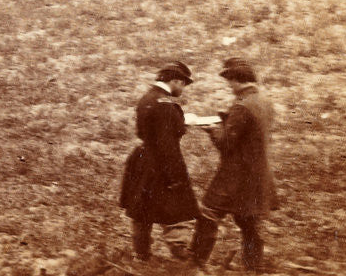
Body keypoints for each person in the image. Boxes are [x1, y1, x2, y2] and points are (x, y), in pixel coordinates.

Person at [191, 57, 280, 272]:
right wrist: (226, 119)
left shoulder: (242, 107)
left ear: (239, 80)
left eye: (230, 81)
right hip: (257, 174)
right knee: (248, 221)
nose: (229, 86)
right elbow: (251, 132)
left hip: (234, 176)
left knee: (209, 213)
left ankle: (195, 262)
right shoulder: (264, 101)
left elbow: (226, 144)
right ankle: (252, 267)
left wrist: (212, 129)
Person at [119, 61, 199, 262]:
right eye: (183, 84)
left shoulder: (147, 98)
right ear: (174, 81)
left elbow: (142, 131)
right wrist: (175, 177)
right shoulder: (166, 105)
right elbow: (168, 145)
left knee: (141, 209)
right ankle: (179, 251)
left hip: (142, 159)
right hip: (161, 164)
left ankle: (141, 254)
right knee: (175, 207)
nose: (182, 89)